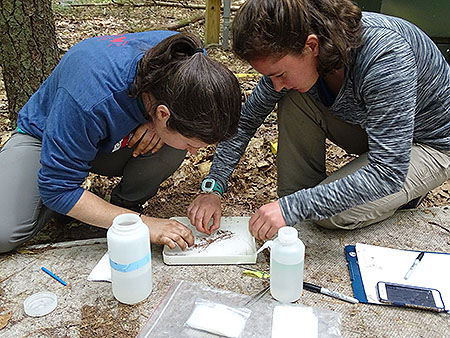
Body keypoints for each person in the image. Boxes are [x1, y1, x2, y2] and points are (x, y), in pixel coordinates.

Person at [187, 0, 450, 240]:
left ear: (311, 46)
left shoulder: (385, 56)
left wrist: (293, 208)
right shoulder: (293, 56)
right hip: (373, 129)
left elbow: (387, 171)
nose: (275, 85)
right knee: (291, 95)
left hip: (425, 145)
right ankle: (306, 204)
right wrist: (213, 186)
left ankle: (398, 197)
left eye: (279, 74)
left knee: (331, 214)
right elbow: (246, 122)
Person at [0, 31, 241, 253]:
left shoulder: (189, 61)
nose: (193, 152)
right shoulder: (90, 97)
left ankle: (122, 205)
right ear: (163, 113)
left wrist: (152, 124)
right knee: (5, 233)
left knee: (172, 146)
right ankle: (67, 198)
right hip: (42, 138)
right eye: (193, 145)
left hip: (106, 141)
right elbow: (57, 188)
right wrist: (143, 225)